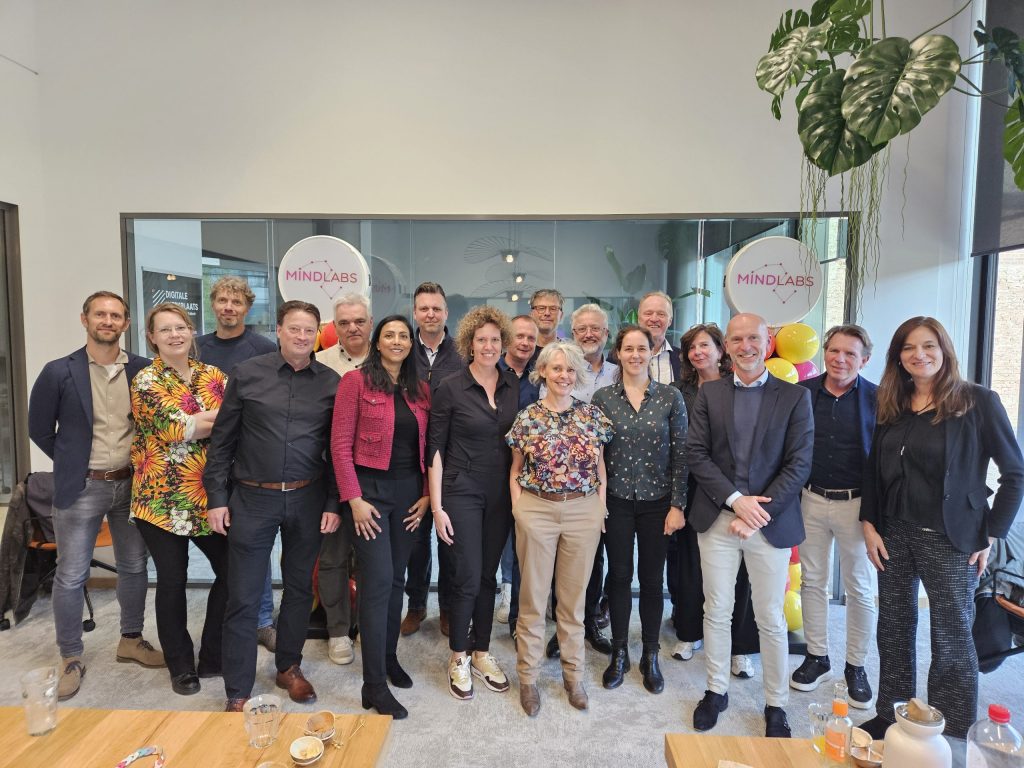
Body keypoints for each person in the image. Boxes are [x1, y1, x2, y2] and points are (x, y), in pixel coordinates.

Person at [858, 317, 1024, 740]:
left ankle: (951, 731)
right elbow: (874, 469)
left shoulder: (978, 401)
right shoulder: (893, 402)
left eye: (928, 345)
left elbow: (1015, 474)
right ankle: (890, 713)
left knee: (951, 635)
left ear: (944, 349)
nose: (919, 354)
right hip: (894, 533)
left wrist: (991, 533)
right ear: (898, 356)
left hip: (952, 539)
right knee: (893, 626)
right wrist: (869, 523)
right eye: (909, 347)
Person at [204, 300, 342, 712]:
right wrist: (217, 498)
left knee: (299, 589)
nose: (301, 336)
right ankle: (238, 690)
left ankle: (289, 667)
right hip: (252, 498)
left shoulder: (331, 383)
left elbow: (336, 451)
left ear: (317, 336)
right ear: (279, 330)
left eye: (309, 330)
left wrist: (333, 502)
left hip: (307, 497)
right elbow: (222, 442)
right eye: (294, 328)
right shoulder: (247, 374)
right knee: (244, 597)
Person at [28, 290, 164, 701]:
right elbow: (39, 429)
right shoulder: (58, 371)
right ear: (84, 319)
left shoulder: (143, 370)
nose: (108, 321)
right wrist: (73, 462)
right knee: (71, 574)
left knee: (134, 566)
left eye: (116, 315)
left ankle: (131, 639)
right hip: (82, 486)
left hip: (132, 483)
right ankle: (71, 656)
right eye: (100, 314)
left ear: (126, 323)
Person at [685, 312, 813, 737]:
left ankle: (776, 704)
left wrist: (758, 513)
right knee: (716, 610)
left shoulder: (795, 397)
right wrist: (737, 502)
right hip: (718, 519)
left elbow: (799, 464)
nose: (745, 347)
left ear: (767, 342)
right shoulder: (711, 394)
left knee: (770, 617)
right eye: (736, 339)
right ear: (727, 347)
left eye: (753, 338)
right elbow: (696, 453)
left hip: (769, 524)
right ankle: (716, 690)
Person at [331, 315, 431, 719]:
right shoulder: (355, 382)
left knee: (396, 582)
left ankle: (388, 658)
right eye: (389, 335)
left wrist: (427, 495)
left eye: (404, 335)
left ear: (411, 344)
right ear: (377, 342)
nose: (397, 341)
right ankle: (372, 686)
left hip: (409, 494)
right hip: (369, 495)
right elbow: (339, 445)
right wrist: (353, 499)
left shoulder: (419, 389)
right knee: (376, 584)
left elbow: (429, 445)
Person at [506, 341, 612, 715]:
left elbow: (600, 467)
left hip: (583, 511)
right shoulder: (527, 417)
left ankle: (573, 676)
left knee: (572, 602)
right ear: (544, 372)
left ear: (577, 374)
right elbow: (515, 470)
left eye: (570, 370)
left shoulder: (592, 416)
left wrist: (599, 509)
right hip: (537, 509)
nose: (563, 376)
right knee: (533, 600)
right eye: (556, 368)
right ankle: (528, 678)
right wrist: (520, 509)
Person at [130, 302, 227, 696]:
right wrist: (207, 421)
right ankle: (181, 665)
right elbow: (178, 429)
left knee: (233, 572)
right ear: (152, 337)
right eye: (165, 329)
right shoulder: (145, 380)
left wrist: (203, 422)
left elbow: (233, 421)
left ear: (192, 331)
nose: (175, 334)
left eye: (181, 327)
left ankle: (214, 655)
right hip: (160, 499)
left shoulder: (214, 376)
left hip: (209, 497)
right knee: (172, 581)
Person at [428, 305, 518, 701]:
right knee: (467, 574)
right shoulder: (450, 386)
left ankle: (481, 651)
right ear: (470, 343)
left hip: (500, 492)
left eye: (495, 339)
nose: (489, 346)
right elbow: (435, 450)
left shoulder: (512, 384)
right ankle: (458, 656)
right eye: (482, 339)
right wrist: (437, 507)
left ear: (503, 343)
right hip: (460, 489)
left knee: (488, 577)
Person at [593, 325, 687, 694]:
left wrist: (677, 505)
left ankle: (650, 653)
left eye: (641, 348)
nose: (635, 355)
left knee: (651, 580)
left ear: (651, 352)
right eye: (628, 348)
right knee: (618, 577)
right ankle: (619, 652)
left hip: (657, 502)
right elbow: (595, 454)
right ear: (618, 353)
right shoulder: (603, 398)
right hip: (615, 500)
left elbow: (682, 454)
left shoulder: (670, 397)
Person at [790, 325, 878, 710]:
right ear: (824, 352)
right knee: (812, 581)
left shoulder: (879, 399)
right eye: (834, 351)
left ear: (864, 360)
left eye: (850, 354)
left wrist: (877, 515)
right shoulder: (802, 394)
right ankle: (817, 657)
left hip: (857, 506)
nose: (840, 359)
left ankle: (856, 666)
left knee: (860, 587)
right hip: (810, 499)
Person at [668, 323, 760, 678]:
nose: (698, 353)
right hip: (692, 487)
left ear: (721, 350)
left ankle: (741, 647)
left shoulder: (740, 385)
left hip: (738, 491)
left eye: (705, 345)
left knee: (742, 571)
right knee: (692, 566)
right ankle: (690, 633)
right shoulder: (679, 391)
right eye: (692, 347)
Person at [196, 276, 279, 653]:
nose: (229, 307)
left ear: (248, 307)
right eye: (222, 301)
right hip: (201, 460)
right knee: (224, 549)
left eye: (237, 302)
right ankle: (233, 617)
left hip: (250, 461)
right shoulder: (196, 347)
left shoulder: (263, 348)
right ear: (213, 304)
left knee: (254, 545)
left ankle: (262, 620)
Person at [540, 306, 619, 658]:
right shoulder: (559, 366)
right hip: (565, 485)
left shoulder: (618, 373)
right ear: (572, 333)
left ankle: (589, 622)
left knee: (594, 558)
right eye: (582, 328)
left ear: (606, 333)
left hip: (607, 477)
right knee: (564, 562)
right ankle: (562, 629)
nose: (589, 334)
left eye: (596, 328)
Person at [315, 292, 373, 666]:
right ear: (334, 327)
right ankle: (337, 631)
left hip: (373, 477)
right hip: (327, 476)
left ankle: (368, 625)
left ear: (371, 324)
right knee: (333, 557)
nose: (353, 328)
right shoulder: (320, 363)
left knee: (371, 559)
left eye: (359, 321)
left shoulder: (387, 362)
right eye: (344, 322)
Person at [402, 282, 462, 638]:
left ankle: (449, 610)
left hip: (451, 461)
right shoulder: (403, 350)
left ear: (445, 313)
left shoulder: (462, 353)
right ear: (415, 313)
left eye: (436, 308)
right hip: (410, 461)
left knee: (450, 541)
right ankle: (417, 605)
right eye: (423, 308)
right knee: (415, 542)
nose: (430, 314)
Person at [496, 315, 540, 629]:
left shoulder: (540, 376)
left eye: (530, 338)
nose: (524, 343)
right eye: (519, 336)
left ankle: (516, 615)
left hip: (530, 472)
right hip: (491, 466)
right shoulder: (491, 369)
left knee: (524, 543)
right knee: (492, 541)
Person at [637, 291, 681, 385]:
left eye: (661, 314)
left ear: (670, 321)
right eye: (648, 313)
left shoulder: (683, 358)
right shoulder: (618, 357)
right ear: (639, 319)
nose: (654, 319)